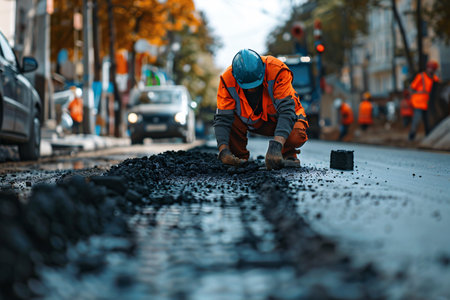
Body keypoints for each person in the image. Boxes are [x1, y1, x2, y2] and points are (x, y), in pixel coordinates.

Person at [213, 49, 308, 170]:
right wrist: (223, 151)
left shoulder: (276, 70)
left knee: (296, 134)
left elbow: (286, 111)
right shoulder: (227, 80)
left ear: (262, 70)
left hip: (278, 120)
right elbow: (222, 119)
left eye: (255, 85)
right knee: (229, 121)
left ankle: (287, 153)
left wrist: (276, 146)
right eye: (247, 87)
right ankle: (239, 158)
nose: (251, 90)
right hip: (249, 121)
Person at [408, 60, 440, 140]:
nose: (431, 70)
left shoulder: (435, 79)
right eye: (430, 68)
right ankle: (412, 136)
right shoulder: (421, 76)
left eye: (432, 69)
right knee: (417, 120)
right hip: (419, 103)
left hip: (428, 104)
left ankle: (428, 136)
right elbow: (412, 88)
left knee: (428, 121)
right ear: (427, 68)